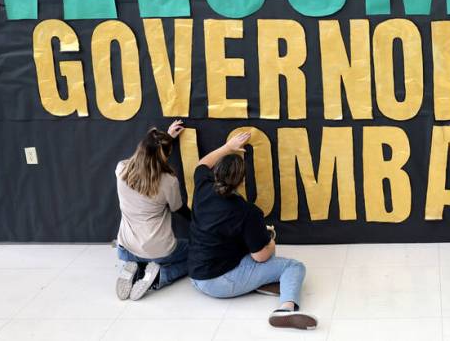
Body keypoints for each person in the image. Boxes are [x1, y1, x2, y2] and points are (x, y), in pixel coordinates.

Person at [189, 132, 318, 330]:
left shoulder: (202, 187)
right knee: (293, 267)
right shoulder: (247, 211)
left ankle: (262, 283)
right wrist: (270, 240)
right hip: (218, 282)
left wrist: (228, 147)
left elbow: (202, 164)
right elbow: (260, 256)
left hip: (195, 273)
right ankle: (285, 309)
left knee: (251, 252)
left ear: (216, 173)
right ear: (242, 181)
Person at [115, 120, 191, 301]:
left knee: (135, 255)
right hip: (157, 249)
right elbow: (178, 209)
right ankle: (159, 277)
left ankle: (133, 267)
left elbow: (146, 156)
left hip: (125, 246)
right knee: (196, 256)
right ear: (164, 156)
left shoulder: (121, 170)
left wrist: (167, 139)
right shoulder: (168, 181)